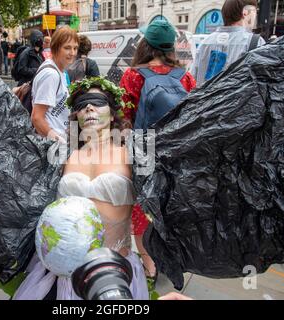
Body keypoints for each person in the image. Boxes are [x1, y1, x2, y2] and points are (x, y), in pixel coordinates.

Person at [14, 77, 149, 300]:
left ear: (113, 110)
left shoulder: (134, 152)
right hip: (62, 275)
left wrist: (148, 254)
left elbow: (154, 209)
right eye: (81, 104)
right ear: (75, 114)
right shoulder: (64, 154)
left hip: (111, 276)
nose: (88, 107)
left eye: (97, 101)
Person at [119, 19, 196, 286]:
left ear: (145, 45)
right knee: (171, 206)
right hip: (177, 155)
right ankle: (170, 258)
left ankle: (149, 266)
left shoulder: (132, 76)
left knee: (142, 210)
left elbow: (124, 117)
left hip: (145, 153)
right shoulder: (185, 76)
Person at [190, 0, 265, 87]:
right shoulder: (256, 42)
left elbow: (192, 79)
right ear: (245, 13)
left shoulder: (205, 43)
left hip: (203, 99)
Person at [31, 26, 79, 141]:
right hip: (52, 146)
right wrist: (58, 141)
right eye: (67, 48)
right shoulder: (51, 75)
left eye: (75, 48)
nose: (72, 53)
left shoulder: (59, 70)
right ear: (55, 48)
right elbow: (37, 117)